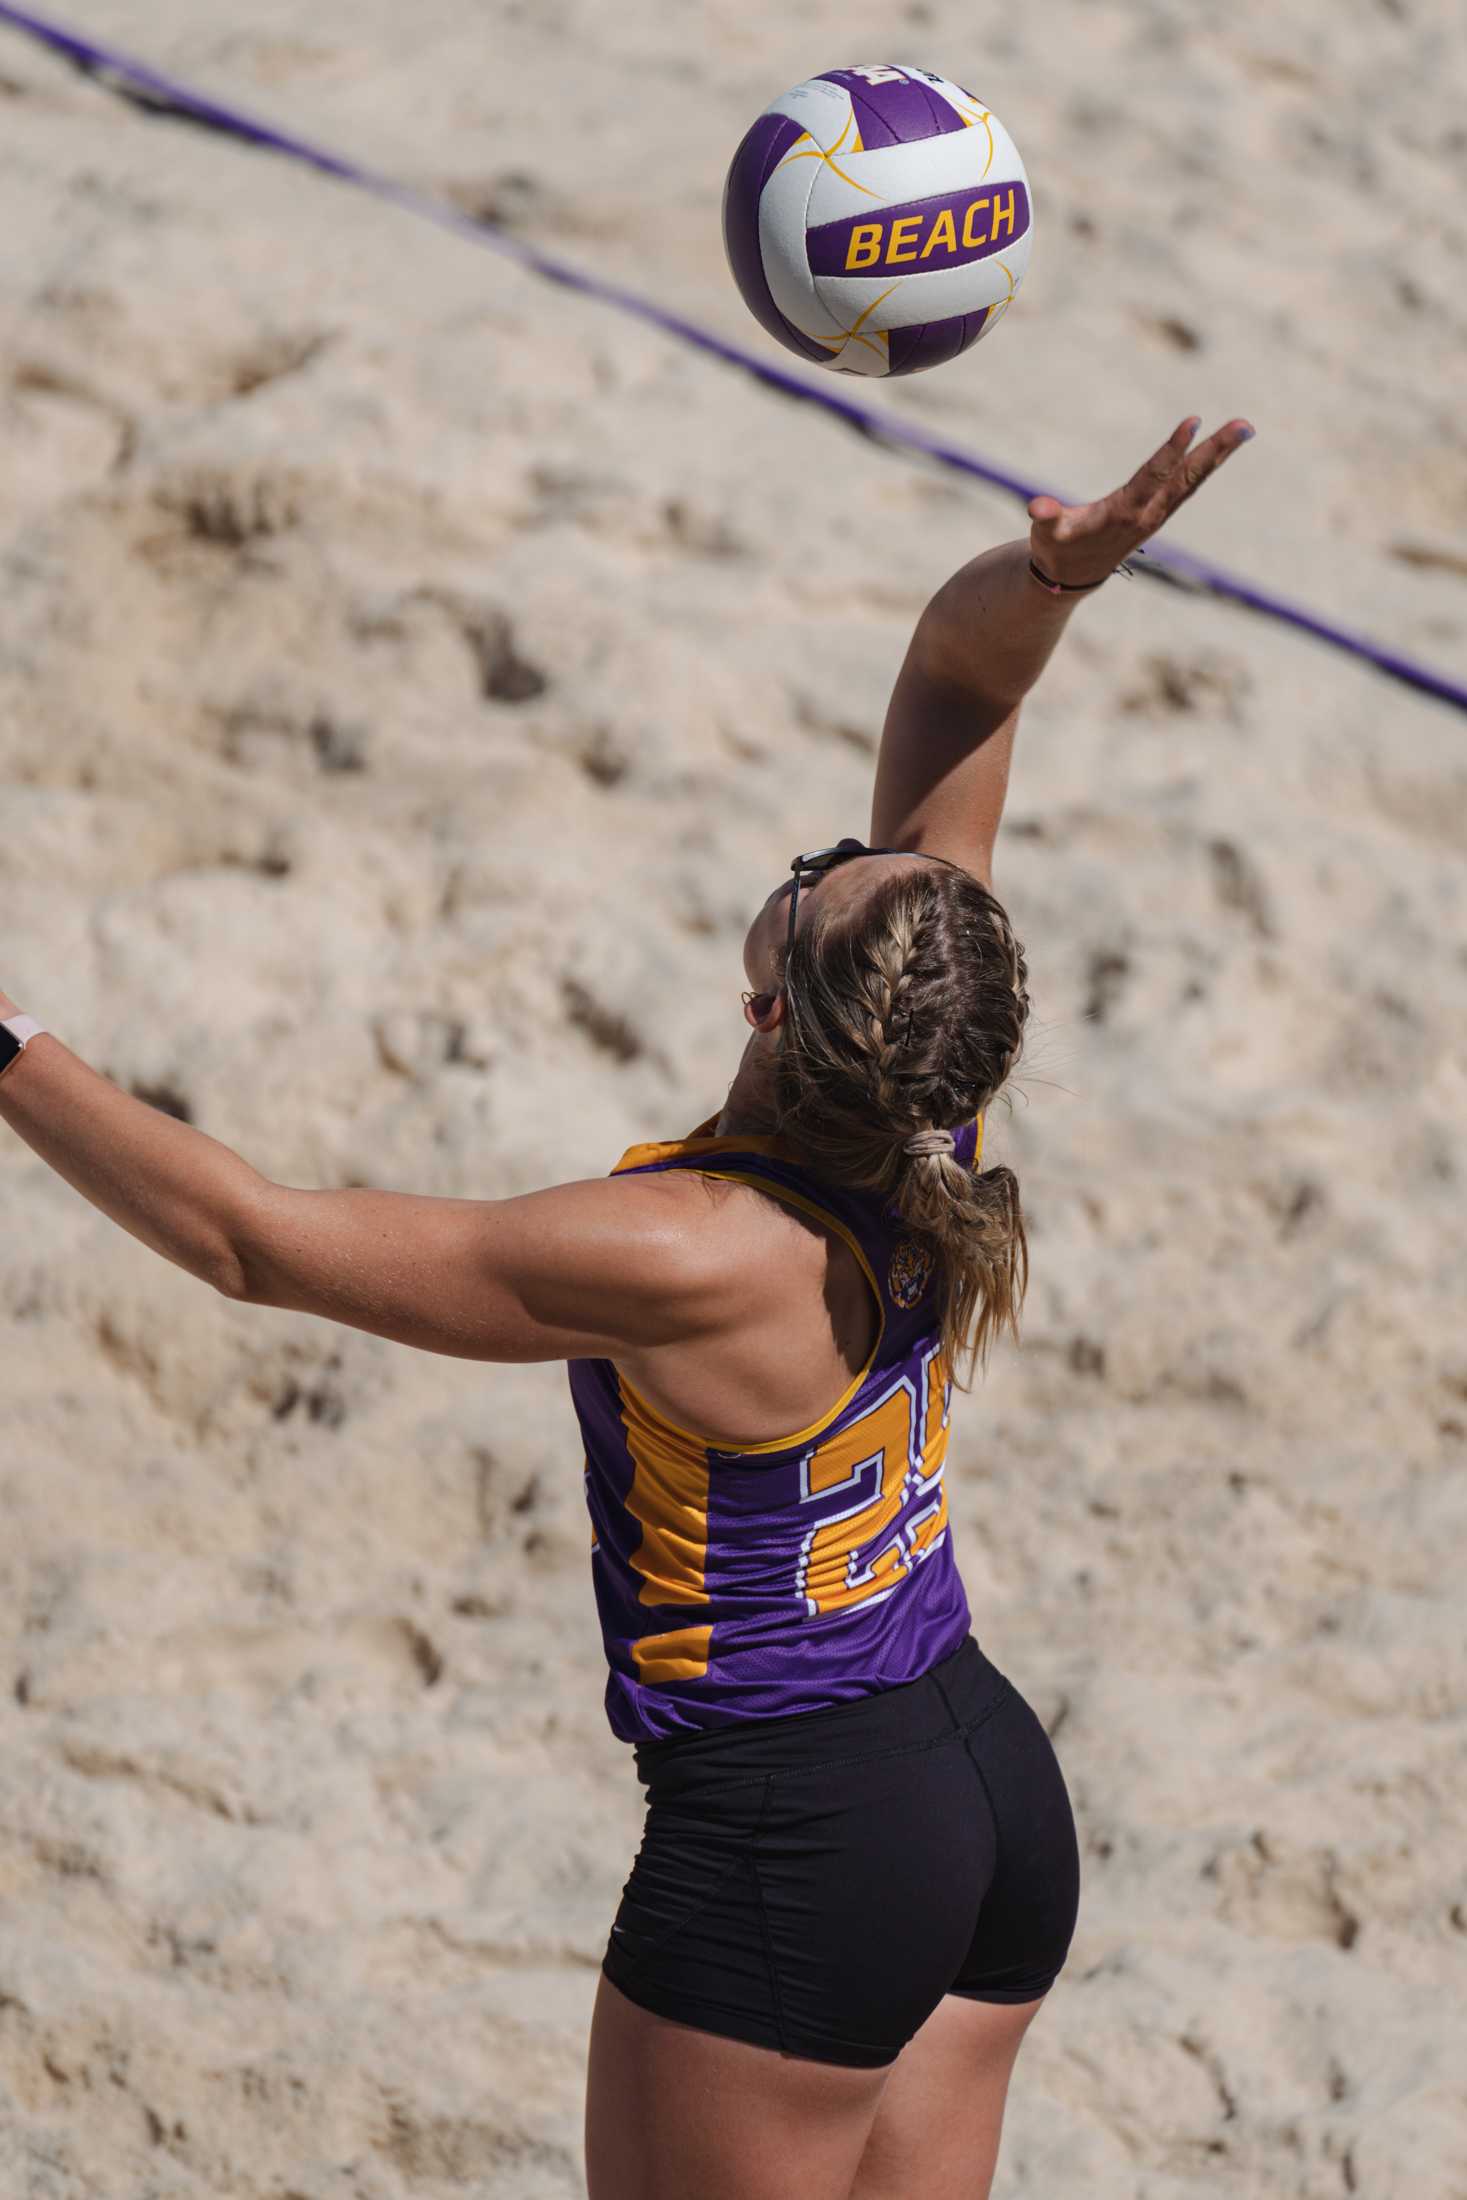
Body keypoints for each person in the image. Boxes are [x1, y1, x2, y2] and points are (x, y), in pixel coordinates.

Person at [0, 410, 1252, 2198]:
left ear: (769, 1010)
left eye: (823, 876)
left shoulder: (682, 1252)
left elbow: (251, 1245)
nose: (828, 859)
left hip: (800, 1850)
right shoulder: (934, 1113)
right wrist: (1049, 578)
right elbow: (957, 690)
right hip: (982, 1785)